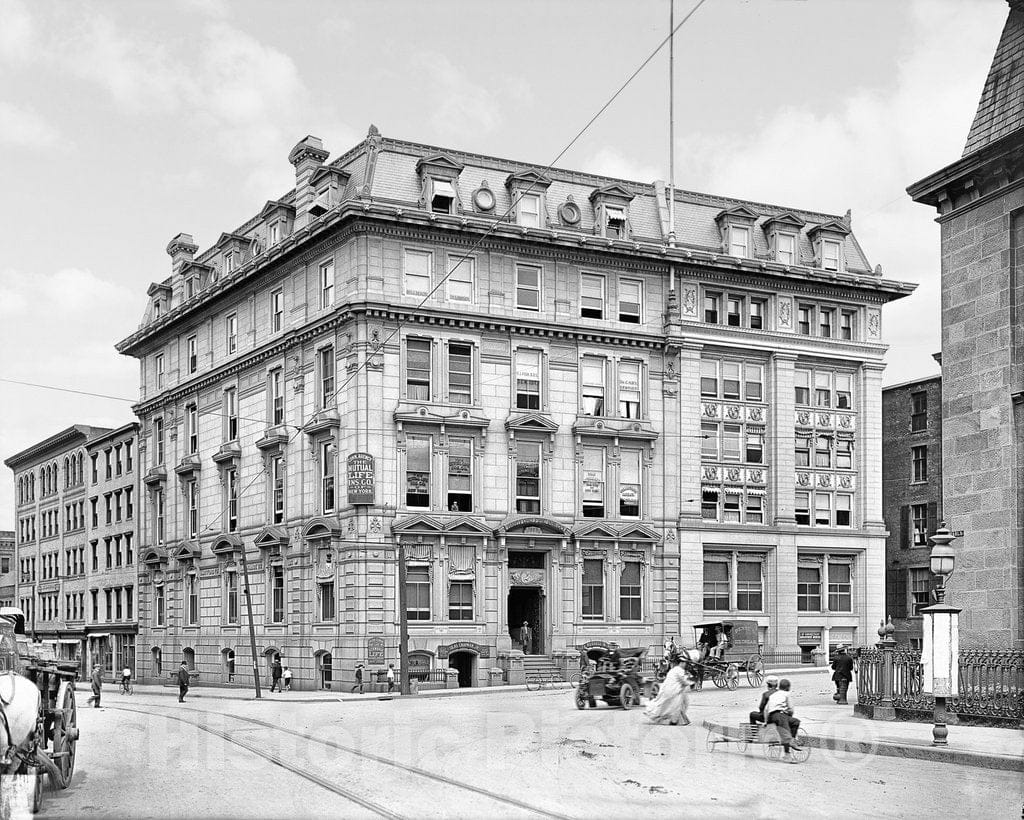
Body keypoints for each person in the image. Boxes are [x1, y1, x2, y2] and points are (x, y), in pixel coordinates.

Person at [644, 653, 693, 726]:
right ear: (681, 663)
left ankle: (677, 720)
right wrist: (691, 682)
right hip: (673, 691)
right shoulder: (679, 670)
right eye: (685, 663)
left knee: (666, 705)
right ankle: (673, 720)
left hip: (667, 690)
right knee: (677, 705)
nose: (685, 665)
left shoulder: (673, 670)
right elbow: (683, 681)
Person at [764, 678, 801, 762]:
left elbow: (766, 709)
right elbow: (791, 709)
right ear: (788, 687)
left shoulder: (773, 695)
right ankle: (789, 748)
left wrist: (766, 722)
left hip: (771, 717)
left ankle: (791, 741)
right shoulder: (787, 694)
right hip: (780, 715)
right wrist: (789, 716)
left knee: (794, 722)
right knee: (792, 724)